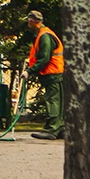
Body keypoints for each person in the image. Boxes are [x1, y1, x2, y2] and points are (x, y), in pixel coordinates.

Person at [22, 10, 65, 139]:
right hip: (55, 73)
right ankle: (60, 128)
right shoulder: (44, 34)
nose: (28, 24)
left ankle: (51, 130)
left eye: (28, 22)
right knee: (58, 101)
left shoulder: (45, 36)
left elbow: (44, 58)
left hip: (53, 73)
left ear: (32, 21)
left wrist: (29, 71)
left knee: (52, 101)